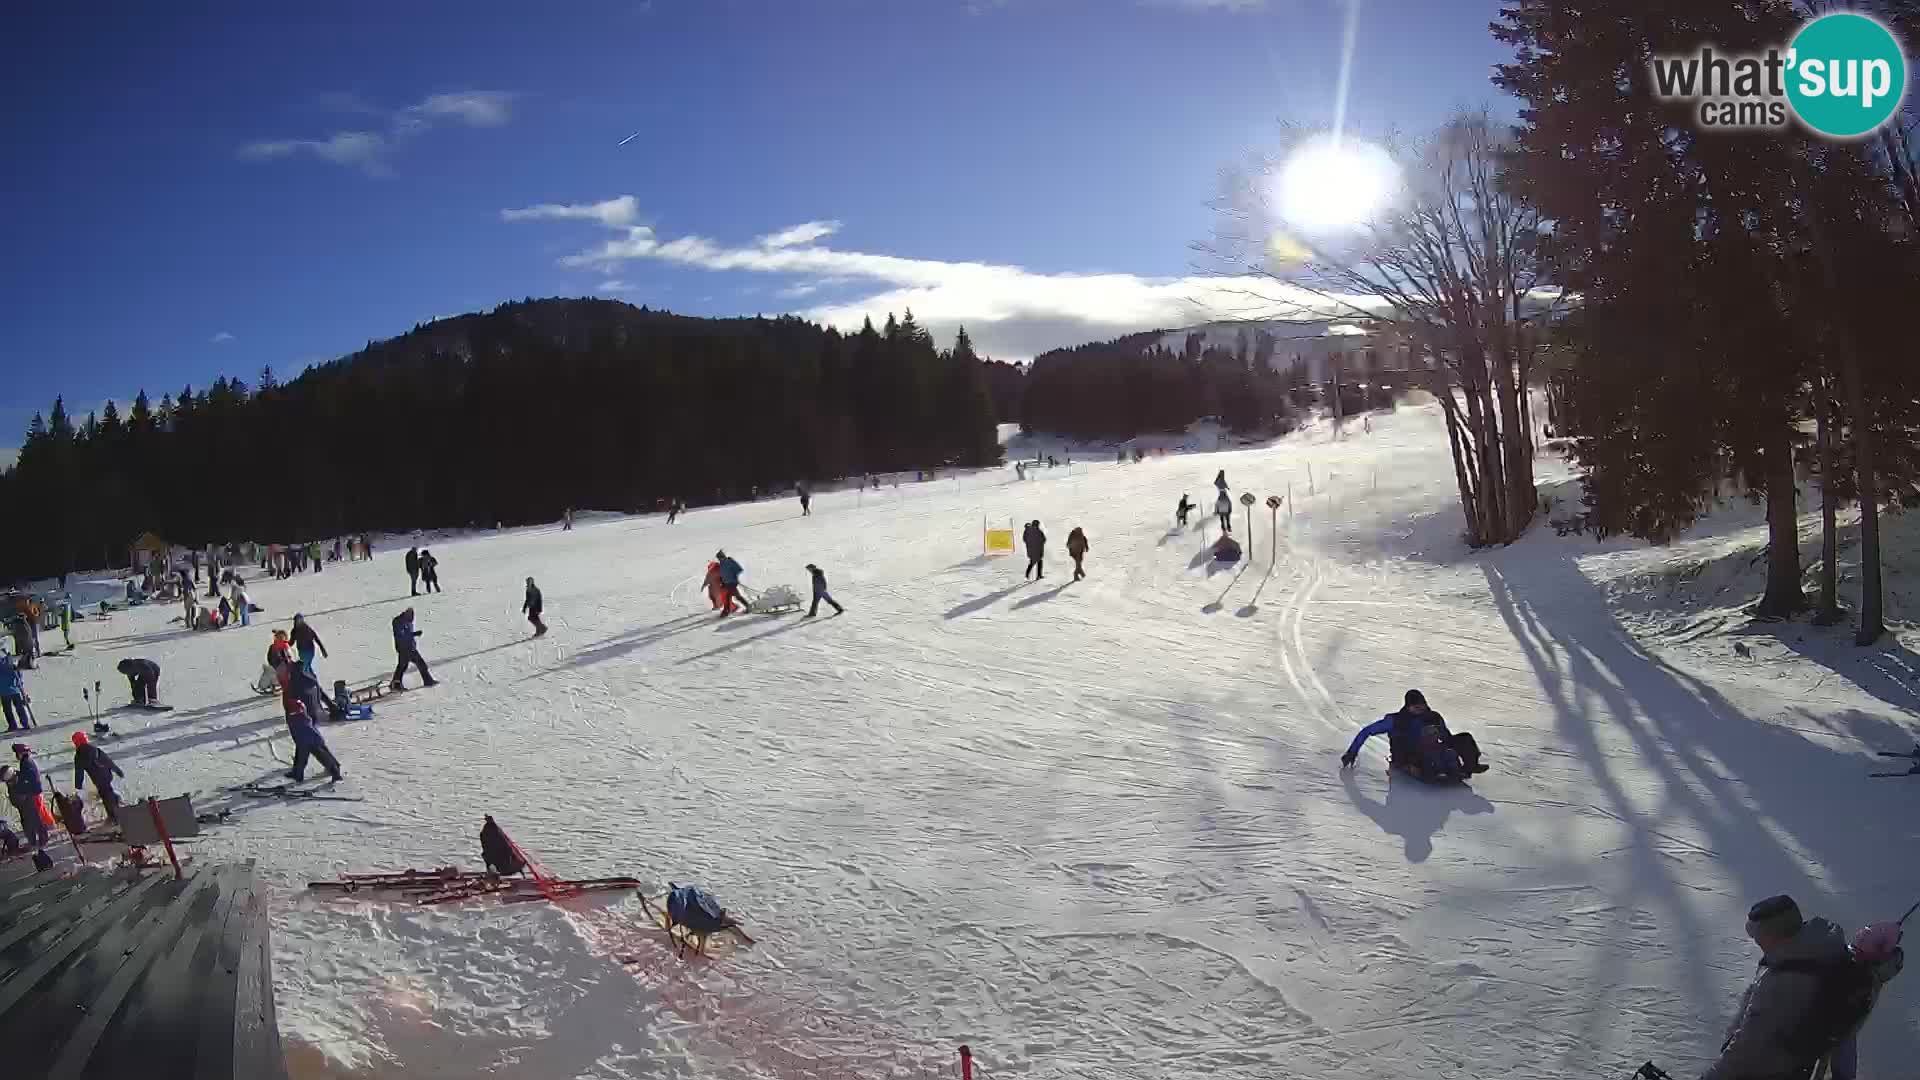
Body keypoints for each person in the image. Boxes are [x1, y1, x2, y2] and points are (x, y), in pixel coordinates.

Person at [1701, 895, 1871, 1080]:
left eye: (1758, 936)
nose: (1756, 942)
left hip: (1779, 1066)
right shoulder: (1826, 949)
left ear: (1774, 935)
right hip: (1807, 1048)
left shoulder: (1783, 982)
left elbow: (1747, 1048)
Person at [1341, 689, 1485, 782]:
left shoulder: (1433, 717)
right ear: (1408, 707)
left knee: (1464, 738)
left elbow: (1446, 737)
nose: (1420, 709)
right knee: (1425, 756)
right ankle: (1430, 771)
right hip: (1406, 755)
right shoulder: (1395, 720)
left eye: (1422, 705)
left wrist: (1457, 748)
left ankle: (1469, 767)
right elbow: (1366, 731)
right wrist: (1351, 752)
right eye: (1416, 707)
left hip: (1431, 749)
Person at [283, 700, 343, 784]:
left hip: (309, 741)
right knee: (304, 757)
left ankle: (336, 773)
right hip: (310, 739)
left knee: (321, 757)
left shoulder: (298, 719)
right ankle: (298, 774)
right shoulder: (302, 717)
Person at [70, 731, 124, 822]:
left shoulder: (79, 756)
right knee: (107, 792)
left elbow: (79, 771)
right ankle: (115, 801)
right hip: (106, 774)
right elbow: (107, 760)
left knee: (106, 796)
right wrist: (117, 770)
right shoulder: (94, 749)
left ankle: (114, 816)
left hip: (97, 779)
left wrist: (78, 784)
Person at [7, 743, 47, 851]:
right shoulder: (26, 762)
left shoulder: (26, 763)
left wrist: (20, 790)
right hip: (33, 794)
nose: (16, 755)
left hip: (32, 795)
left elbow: (31, 780)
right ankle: (40, 839)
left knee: (34, 819)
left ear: (21, 753)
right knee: (35, 818)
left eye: (17, 753)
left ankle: (38, 841)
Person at [391, 608, 436, 690]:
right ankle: (428, 681)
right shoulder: (398, 622)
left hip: (410, 647)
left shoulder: (407, 621)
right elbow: (401, 636)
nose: (412, 619)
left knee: (403, 666)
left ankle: (395, 685)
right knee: (416, 664)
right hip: (404, 648)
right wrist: (414, 634)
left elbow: (408, 634)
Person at [0, 651, 31, 731]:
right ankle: (25, 723)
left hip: (5, 691)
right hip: (14, 690)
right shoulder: (13, 666)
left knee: (8, 710)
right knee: (19, 708)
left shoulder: (6, 666)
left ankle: (13, 725)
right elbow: (19, 678)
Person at [715, 551, 747, 616]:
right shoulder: (721, 564)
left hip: (732, 582)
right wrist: (722, 581)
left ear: (723, 556)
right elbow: (723, 573)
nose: (719, 559)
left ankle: (726, 612)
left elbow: (739, 569)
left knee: (733, 596)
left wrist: (734, 576)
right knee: (729, 597)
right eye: (718, 558)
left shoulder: (729, 562)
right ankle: (726, 611)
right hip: (726, 583)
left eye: (720, 557)